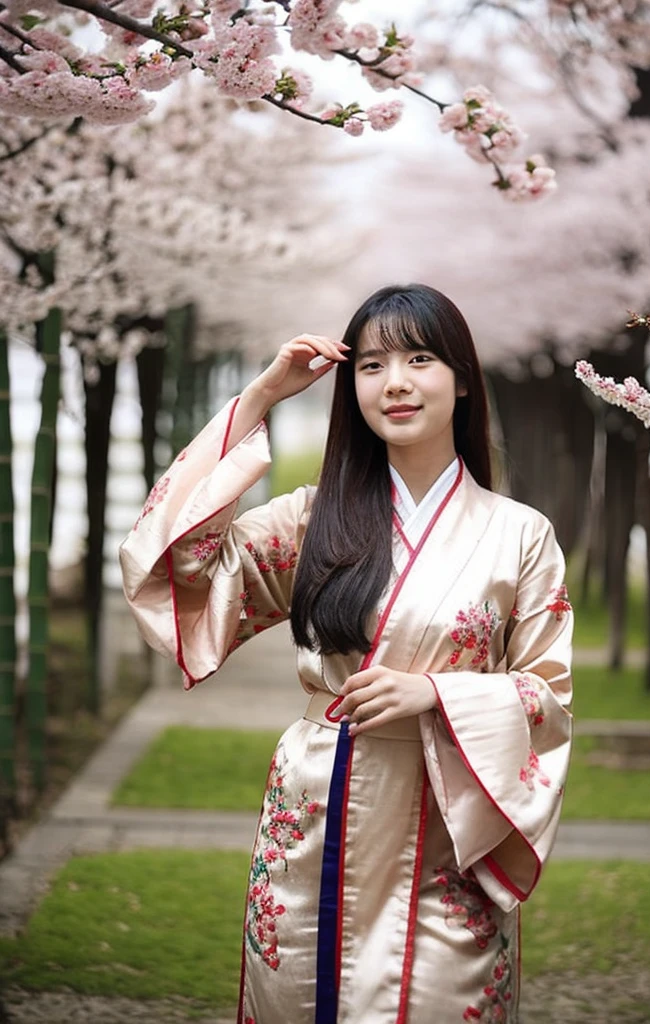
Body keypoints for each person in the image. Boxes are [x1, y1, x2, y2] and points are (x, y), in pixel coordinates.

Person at [119, 284, 573, 1024]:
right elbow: (170, 568)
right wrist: (262, 395)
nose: (395, 382)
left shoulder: (522, 535)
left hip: (444, 828)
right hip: (316, 811)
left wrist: (439, 695)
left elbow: (549, 696)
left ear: (461, 379)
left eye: (420, 358)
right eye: (370, 364)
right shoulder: (312, 519)